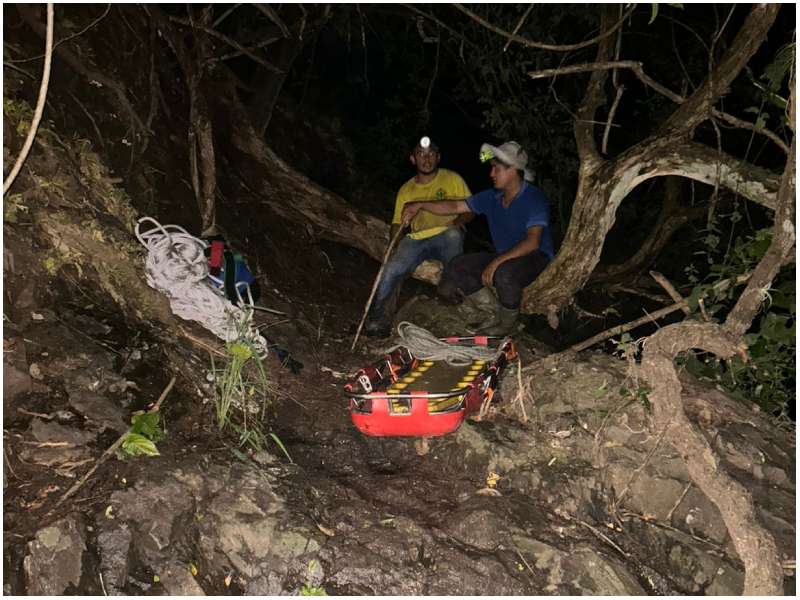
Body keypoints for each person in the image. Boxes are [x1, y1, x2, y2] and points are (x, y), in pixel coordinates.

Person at [401, 141, 554, 336]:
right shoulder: (492, 197)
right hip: (505, 255)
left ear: (513, 170)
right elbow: (456, 207)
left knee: (504, 274)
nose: (491, 174)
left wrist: (496, 262)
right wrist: (420, 204)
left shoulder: (534, 198)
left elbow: (533, 242)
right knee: (457, 266)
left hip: (535, 256)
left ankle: (507, 327)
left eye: (495, 169)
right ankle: (490, 312)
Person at [363, 136, 472, 337]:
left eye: (431, 154)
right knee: (392, 268)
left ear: (438, 157)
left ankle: (453, 295)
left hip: (447, 233)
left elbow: (470, 209)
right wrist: (393, 242)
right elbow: (397, 222)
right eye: (421, 154)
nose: (426, 158)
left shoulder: (452, 179)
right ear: (413, 159)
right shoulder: (406, 189)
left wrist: (459, 222)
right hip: (417, 238)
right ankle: (377, 318)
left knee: (453, 237)